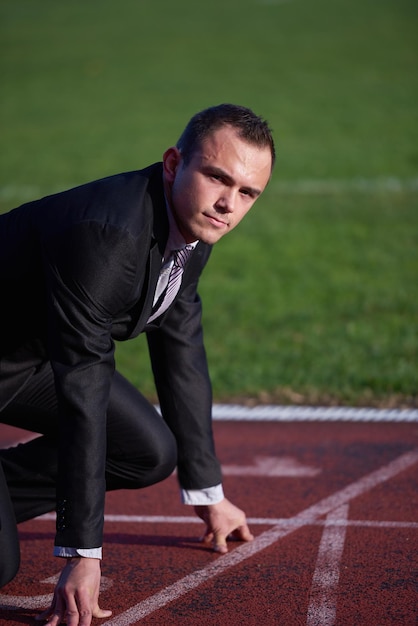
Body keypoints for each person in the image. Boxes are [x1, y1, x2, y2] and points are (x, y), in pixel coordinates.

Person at [0, 103, 275, 625]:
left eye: (247, 193)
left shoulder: (194, 221)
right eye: (218, 178)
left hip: (24, 358)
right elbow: (84, 390)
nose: (228, 204)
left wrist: (208, 492)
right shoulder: (105, 237)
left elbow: (180, 343)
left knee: (147, 451)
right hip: (35, 359)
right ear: (173, 164)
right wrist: (82, 553)